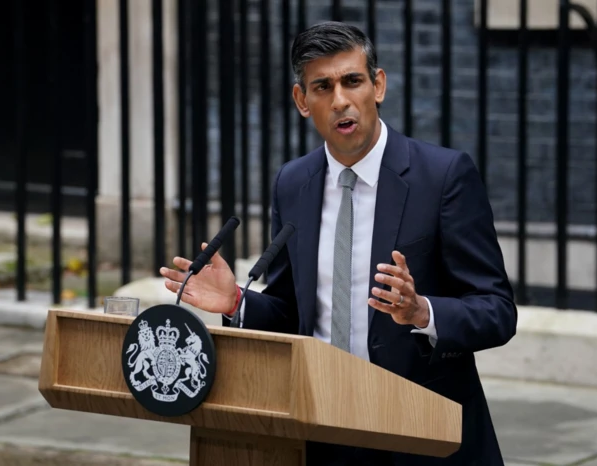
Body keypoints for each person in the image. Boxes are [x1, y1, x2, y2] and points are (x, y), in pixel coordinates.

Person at [161, 21, 517, 466]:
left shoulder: (443, 177)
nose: (341, 100)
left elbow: (497, 311)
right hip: (321, 430)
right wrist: (235, 301)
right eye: (322, 87)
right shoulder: (294, 183)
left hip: (421, 432)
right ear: (302, 101)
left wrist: (421, 311)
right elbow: (294, 313)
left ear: (378, 85)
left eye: (352, 81)